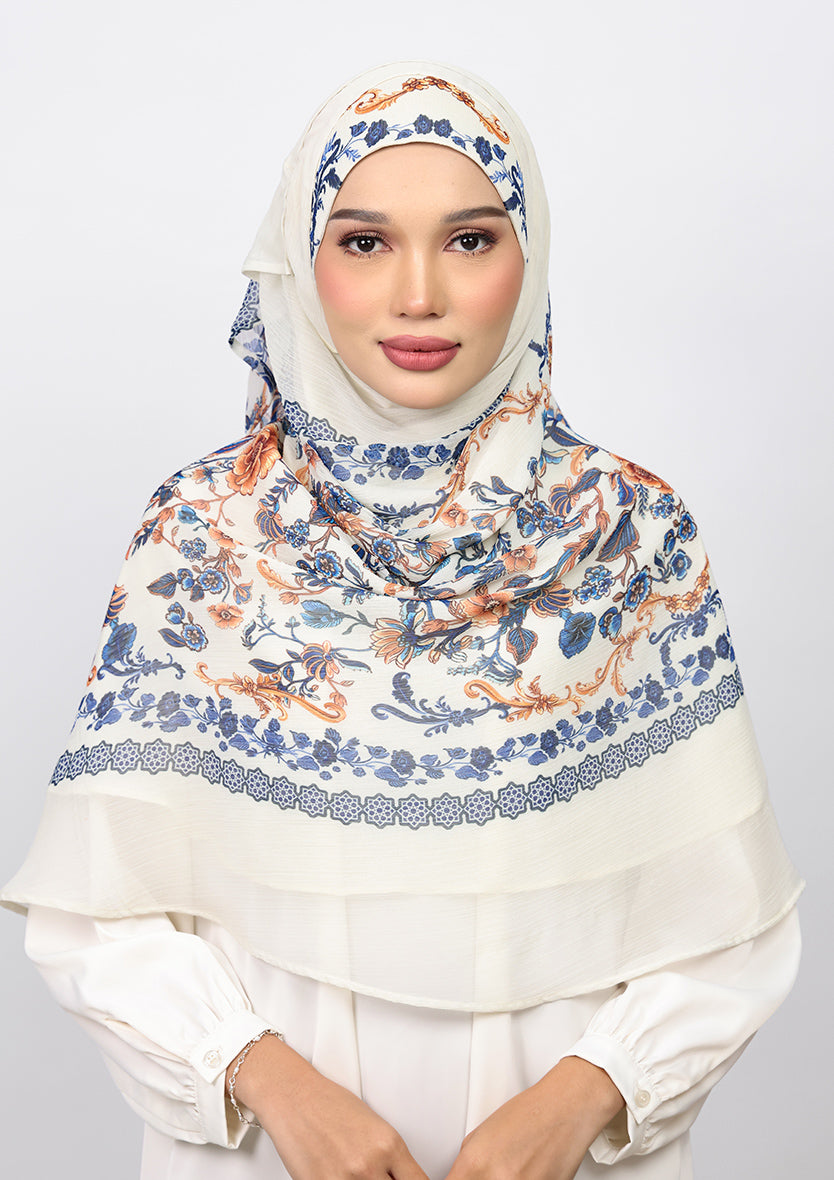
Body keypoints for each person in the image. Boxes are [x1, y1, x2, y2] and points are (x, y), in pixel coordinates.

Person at [1, 61, 802, 1180]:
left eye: (470, 240)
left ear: (530, 259)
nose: (418, 294)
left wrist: (586, 1097)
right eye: (366, 242)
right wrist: (270, 1085)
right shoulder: (206, 534)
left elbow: (730, 918)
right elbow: (97, 910)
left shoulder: (630, 535)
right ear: (303, 262)